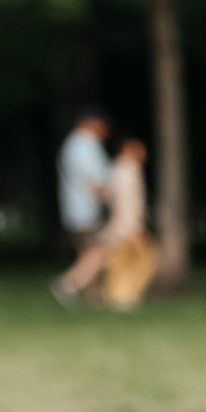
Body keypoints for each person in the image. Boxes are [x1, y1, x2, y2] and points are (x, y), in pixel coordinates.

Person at [51, 109, 112, 307]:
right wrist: (113, 201)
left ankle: (95, 299)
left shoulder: (70, 145)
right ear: (90, 124)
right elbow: (97, 182)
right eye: (103, 125)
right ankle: (67, 284)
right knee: (99, 254)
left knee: (86, 255)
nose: (105, 131)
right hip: (88, 211)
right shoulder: (86, 146)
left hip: (74, 211)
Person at [97, 139, 159, 310]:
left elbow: (108, 196)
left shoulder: (115, 169)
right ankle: (123, 297)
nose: (144, 156)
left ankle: (118, 296)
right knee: (139, 261)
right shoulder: (129, 170)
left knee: (115, 261)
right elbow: (131, 202)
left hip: (120, 223)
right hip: (127, 224)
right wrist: (137, 226)